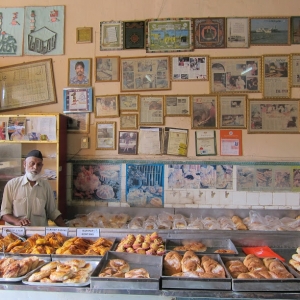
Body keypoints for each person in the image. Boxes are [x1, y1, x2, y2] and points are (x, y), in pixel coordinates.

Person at [0, 150, 66, 227]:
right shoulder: (12, 185)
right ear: (24, 164)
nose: (35, 167)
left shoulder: (46, 186)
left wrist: (68, 229)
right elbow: (4, 214)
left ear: (42, 166)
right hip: (16, 235)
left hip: (39, 236)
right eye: (32, 164)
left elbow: (53, 212)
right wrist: (17, 221)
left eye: (39, 165)